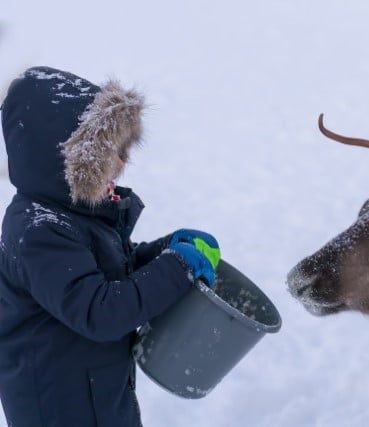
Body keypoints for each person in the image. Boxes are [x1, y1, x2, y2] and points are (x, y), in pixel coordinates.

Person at [0, 66, 221, 426]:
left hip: (95, 393)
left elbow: (108, 274)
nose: (121, 164)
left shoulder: (72, 212)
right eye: (107, 156)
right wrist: (177, 268)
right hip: (58, 408)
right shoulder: (39, 231)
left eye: (121, 151)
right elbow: (99, 312)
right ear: (61, 162)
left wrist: (165, 251)